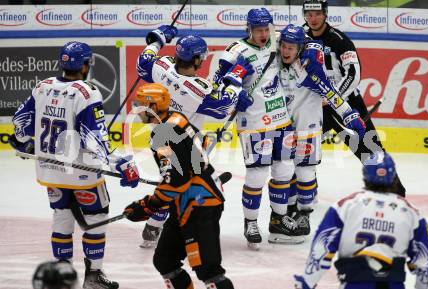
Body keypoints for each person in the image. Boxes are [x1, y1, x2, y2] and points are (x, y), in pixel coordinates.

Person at [9, 41, 140, 289]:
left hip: (50, 171)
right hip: (82, 173)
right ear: (86, 64)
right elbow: (95, 138)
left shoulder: (43, 86)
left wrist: (22, 142)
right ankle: (93, 277)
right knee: (96, 218)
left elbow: (21, 121)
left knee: (61, 218)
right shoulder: (86, 92)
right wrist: (122, 163)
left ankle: (63, 275)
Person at [135, 26, 253, 248]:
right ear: (197, 60)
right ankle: (177, 230)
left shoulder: (162, 66)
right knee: (181, 188)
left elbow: (143, 61)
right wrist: (236, 79)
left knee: (170, 183)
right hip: (184, 145)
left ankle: (152, 228)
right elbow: (223, 106)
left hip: (159, 138)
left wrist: (158, 39)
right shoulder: (197, 89)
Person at [123, 82, 234, 289]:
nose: (137, 109)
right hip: (186, 201)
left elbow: (176, 181)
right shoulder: (176, 118)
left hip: (199, 204)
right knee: (165, 259)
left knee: (208, 270)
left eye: (141, 104)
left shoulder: (162, 133)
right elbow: (184, 167)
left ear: (154, 107)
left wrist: (148, 204)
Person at [213, 7, 306, 248]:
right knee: (257, 174)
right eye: (259, 30)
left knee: (285, 170)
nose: (264, 34)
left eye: (267, 29)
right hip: (253, 123)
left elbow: (302, 44)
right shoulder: (235, 51)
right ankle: (251, 222)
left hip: (281, 118)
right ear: (249, 29)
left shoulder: (278, 44)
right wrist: (236, 93)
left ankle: (278, 218)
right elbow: (217, 85)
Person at [301, 0, 407, 195]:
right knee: (302, 148)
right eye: (309, 14)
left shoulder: (339, 40)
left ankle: (396, 191)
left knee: (371, 150)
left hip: (346, 104)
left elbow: (353, 74)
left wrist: (334, 98)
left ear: (325, 14)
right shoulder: (299, 37)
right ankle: (305, 189)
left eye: (317, 13)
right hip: (314, 104)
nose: (313, 18)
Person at [293, 151, 428, 289]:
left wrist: (307, 281)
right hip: (393, 285)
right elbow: (425, 260)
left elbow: (322, 248)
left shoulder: (346, 206)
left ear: (365, 174)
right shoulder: (411, 212)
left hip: (354, 283)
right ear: (393, 176)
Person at [278, 24, 366, 238]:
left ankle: (304, 214)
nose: (286, 51)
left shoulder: (310, 66)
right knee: (283, 171)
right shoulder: (273, 63)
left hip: (307, 125)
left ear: (300, 48)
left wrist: (348, 113)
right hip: (281, 125)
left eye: (291, 47)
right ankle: (286, 214)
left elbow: (329, 91)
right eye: (284, 46)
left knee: (305, 171)